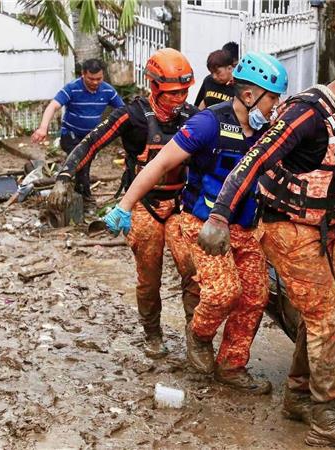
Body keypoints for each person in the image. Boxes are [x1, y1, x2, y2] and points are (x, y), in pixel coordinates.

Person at [197, 34, 335, 448]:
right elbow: (254, 159)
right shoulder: (307, 113)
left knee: (320, 317)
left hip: (323, 231)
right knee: (331, 318)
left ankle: (298, 395)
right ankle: (327, 416)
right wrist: (219, 216)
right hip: (289, 229)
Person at [109, 52, 288, 394]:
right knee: (223, 293)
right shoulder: (208, 124)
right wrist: (126, 205)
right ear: (249, 96)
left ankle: (232, 366)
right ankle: (198, 335)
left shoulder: (268, 131)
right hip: (201, 225)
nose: (275, 106)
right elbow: (160, 164)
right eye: (273, 98)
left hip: (246, 228)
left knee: (254, 297)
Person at [47, 49, 199, 359]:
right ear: (154, 86)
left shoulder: (194, 117)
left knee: (193, 272)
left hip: (181, 204)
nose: (179, 98)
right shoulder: (131, 116)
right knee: (149, 275)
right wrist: (64, 177)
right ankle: (152, 333)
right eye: (172, 92)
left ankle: (196, 336)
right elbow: (91, 142)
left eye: (184, 91)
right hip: (143, 204)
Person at [32, 59, 124, 202]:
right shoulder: (72, 88)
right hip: (70, 135)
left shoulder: (107, 90)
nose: (95, 82)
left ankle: (73, 190)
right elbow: (53, 106)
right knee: (82, 161)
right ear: (83, 74)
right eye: (91, 79)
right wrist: (43, 128)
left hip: (91, 138)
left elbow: (123, 110)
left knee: (81, 164)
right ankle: (84, 196)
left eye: (98, 79)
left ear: (103, 76)